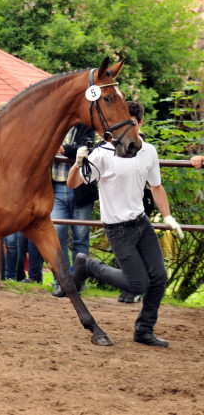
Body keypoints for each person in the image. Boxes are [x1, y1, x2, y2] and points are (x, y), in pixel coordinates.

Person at [67, 101, 183, 347]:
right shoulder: (103, 153)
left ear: (140, 124)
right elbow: (72, 184)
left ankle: (144, 330)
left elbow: (156, 187)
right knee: (138, 284)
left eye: (131, 123)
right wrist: (78, 163)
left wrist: (168, 216)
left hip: (141, 223)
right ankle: (87, 265)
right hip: (118, 229)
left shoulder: (148, 151)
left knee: (159, 277)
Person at [50, 124, 98, 297]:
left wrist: (62, 149)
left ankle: (77, 282)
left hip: (80, 188)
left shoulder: (85, 127)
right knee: (57, 233)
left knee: (80, 235)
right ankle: (62, 282)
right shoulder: (53, 124)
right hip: (55, 188)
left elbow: (86, 150)